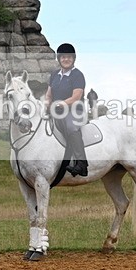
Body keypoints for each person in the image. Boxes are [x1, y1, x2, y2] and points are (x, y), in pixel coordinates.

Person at [45, 43, 88, 177]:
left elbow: (76, 97)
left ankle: (82, 164)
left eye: (69, 57)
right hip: (57, 111)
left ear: (73, 59)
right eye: (63, 57)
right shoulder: (54, 75)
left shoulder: (77, 75)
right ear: (59, 59)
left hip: (75, 111)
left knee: (71, 127)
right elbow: (49, 94)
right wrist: (46, 104)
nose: (66, 59)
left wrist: (60, 104)